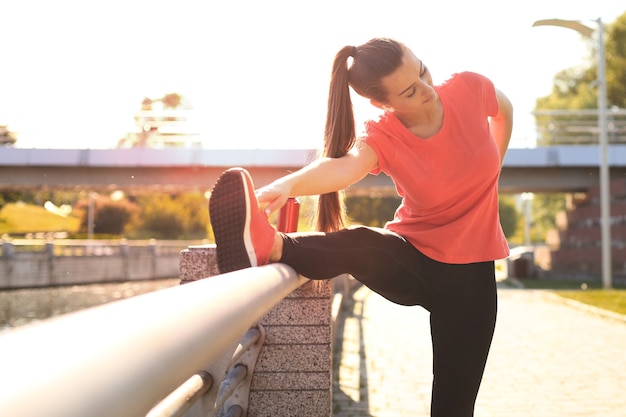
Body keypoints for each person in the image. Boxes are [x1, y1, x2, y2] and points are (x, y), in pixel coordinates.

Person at [208, 37, 513, 417]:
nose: (427, 90)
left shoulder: (469, 87)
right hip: (413, 257)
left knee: (454, 406)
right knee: (366, 244)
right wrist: (284, 186)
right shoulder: (383, 132)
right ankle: (269, 245)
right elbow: (344, 168)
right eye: (410, 91)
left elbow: (504, 110)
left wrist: (493, 166)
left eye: (422, 71)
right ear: (383, 103)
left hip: (472, 274)